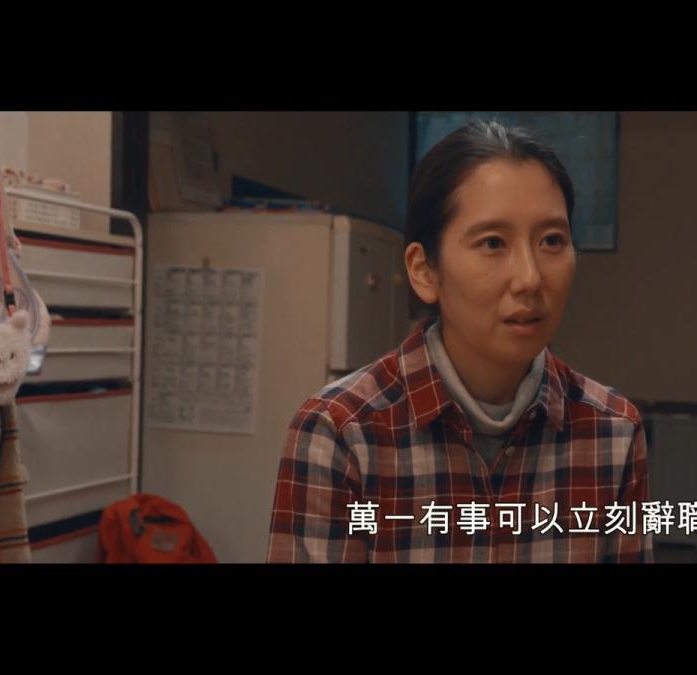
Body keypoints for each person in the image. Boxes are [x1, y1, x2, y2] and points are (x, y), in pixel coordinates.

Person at [267, 120, 652, 563]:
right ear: (424, 271)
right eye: (493, 243)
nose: (529, 278)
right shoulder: (341, 433)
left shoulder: (612, 432)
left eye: (551, 240)